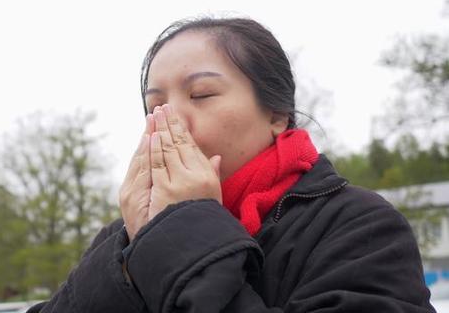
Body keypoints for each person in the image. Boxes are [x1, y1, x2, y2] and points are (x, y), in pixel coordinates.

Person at [27, 17, 434, 312]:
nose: (173, 120)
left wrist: (181, 235)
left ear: (276, 114)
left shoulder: (358, 225)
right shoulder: (127, 235)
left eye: (201, 95)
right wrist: (131, 258)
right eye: (156, 106)